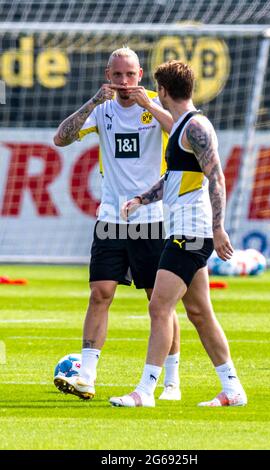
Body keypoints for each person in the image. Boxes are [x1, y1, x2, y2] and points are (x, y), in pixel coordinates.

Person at [110, 60, 247, 408]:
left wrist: (218, 228)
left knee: (159, 306)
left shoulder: (196, 126)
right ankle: (233, 388)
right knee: (200, 313)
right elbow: (174, 178)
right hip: (187, 228)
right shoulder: (183, 125)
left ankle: (145, 391)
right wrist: (142, 199)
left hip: (192, 232)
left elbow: (216, 178)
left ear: (165, 91)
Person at [53, 48, 181, 401]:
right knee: (100, 294)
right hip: (110, 218)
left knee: (159, 301)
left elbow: (185, 134)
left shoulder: (156, 105)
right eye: (117, 76)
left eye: (129, 76)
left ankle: (171, 380)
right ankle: (87, 377)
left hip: (150, 219)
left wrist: (149, 107)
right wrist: (94, 101)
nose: (123, 83)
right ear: (107, 75)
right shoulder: (102, 108)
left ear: (140, 75)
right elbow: (61, 138)